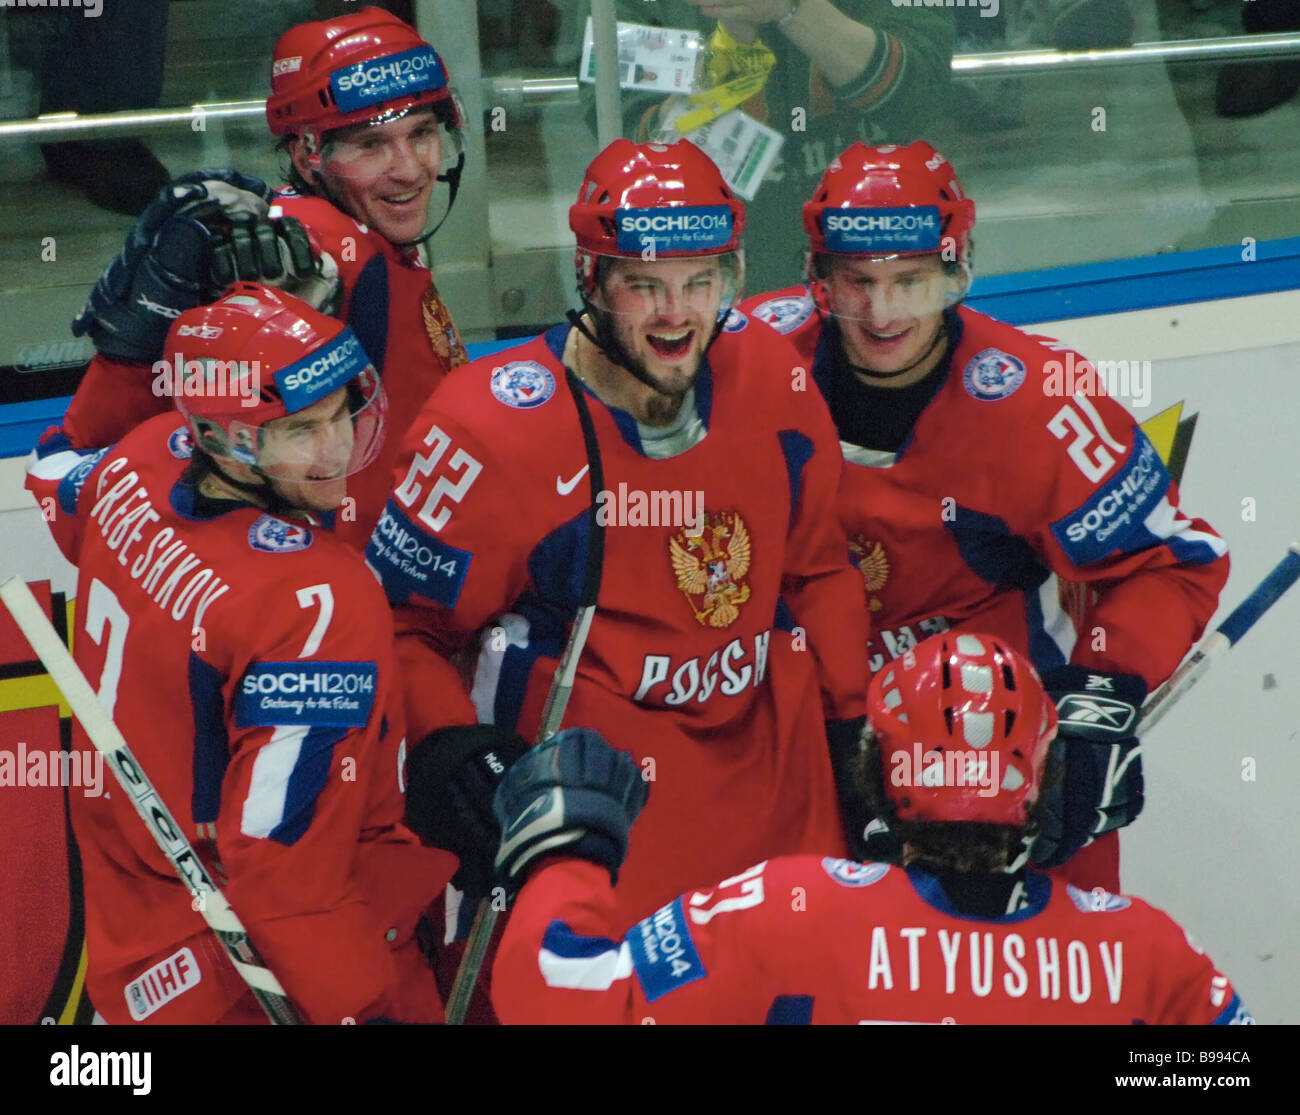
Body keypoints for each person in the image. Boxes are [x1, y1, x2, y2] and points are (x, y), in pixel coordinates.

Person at [373, 138, 870, 940]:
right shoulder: (488, 432)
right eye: (644, 284)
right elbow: (397, 625)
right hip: (596, 830)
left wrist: (855, 727)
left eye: (700, 281)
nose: (677, 313)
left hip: (775, 812)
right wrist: (453, 747)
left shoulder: (772, 376)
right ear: (592, 280)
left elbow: (817, 571)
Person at [736, 140, 1230, 891]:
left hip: (989, 763)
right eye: (856, 280)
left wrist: (1101, 693)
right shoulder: (746, 360)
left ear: (954, 268)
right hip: (807, 742)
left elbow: (1172, 562)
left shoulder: (1040, 400)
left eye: (909, 280)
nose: (881, 310)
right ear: (819, 278)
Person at [24, 284, 451, 1024]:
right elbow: (285, 869)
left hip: (138, 941)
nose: (337, 447)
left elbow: (50, 474)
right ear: (223, 438)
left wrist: (123, 353)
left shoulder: (138, 459)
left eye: (340, 413)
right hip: (258, 977)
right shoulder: (317, 604)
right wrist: (362, 1005)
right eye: (299, 430)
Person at [490, 633, 1255, 1025]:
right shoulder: (1138, 953)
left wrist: (567, 854)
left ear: (879, 772)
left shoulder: (790, 911)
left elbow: (559, 997)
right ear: (1049, 777)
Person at [59, 6, 468, 550]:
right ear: (307, 153)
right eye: (371, 144)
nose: (411, 168)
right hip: (362, 595)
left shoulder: (364, 236)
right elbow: (83, 491)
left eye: (421, 134)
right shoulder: (315, 261)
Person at [609, 0, 953, 293]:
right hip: (706, 279)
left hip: (878, 269)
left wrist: (792, 9)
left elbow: (923, 94)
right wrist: (728, 48)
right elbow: (635, 149)